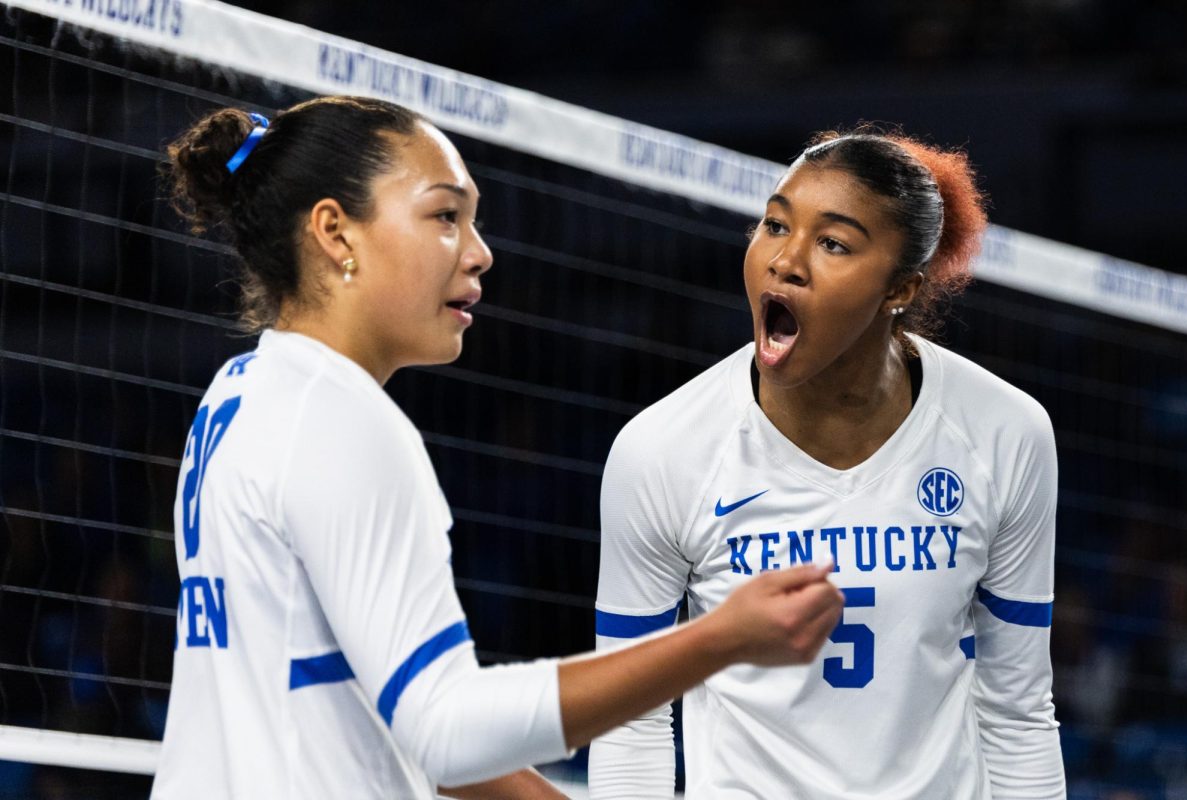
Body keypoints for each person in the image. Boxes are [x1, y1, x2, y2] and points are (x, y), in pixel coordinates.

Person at [151, 96, 845, 800]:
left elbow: (388, 709)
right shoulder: (342, 419)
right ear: (336, 232)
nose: (481, 253)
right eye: (446, 216)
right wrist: (718, 639)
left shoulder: (241, 395)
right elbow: (447, 733)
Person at [588, 130, 1066, 799]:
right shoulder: (665, 448)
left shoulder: (1004, 433)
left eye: (833, 243)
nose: (785, 260)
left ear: (900, 288)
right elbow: (628, 719)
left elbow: (1017, 714)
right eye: (775, 224)